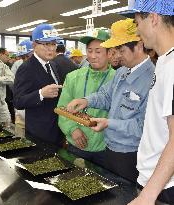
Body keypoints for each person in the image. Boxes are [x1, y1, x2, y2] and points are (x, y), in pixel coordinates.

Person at [67, 19, 155, 182]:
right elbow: (106, 96)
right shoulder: (122, 72)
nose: (117, 56)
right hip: (110, 148)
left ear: (139, 45)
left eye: (121, 50)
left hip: (131, 154)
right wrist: (86, 100)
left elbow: (144, 126)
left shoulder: (152, 80)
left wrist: (109, 123)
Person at [122, 0, 174, 204]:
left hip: (163, 188)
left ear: (153, 18)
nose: (136, 32)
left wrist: (147, 196)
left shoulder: (172, 67)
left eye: (137, 22)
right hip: (156, 181)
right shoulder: (164, 61)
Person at [57, 29, 115, 166]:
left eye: (98, 51)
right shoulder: (73, 77)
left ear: (109, 53)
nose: (93, 56)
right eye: (89, 51)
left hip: (105, 146)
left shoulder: (117, 79)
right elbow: (62, 108)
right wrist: (72, 130)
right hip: (76, 143)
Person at [13, 24, 64, 146]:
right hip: (39, 133)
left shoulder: (53, 65)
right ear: (34, 45)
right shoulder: (26, 68)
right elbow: (18, 101)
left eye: (53, 44)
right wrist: (41, 93)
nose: (51, 48)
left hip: (56, 129)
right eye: (46, 44)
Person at [11, 40, 33, 128]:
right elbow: (13, 84)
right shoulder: (19, 65)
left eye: (28, 56)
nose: (25, 60)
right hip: (21, 112)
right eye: (23, 58)